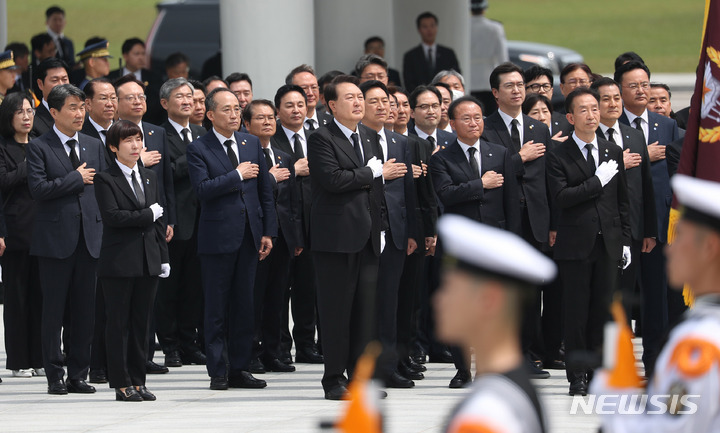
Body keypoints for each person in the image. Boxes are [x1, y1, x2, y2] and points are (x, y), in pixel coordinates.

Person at [592, 174, 720, 433]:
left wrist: (618, 396)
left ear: (708, 247)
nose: (670, 248)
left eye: (679, 235)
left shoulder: (699, 346)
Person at [186, 87, 276, 390]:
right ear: (210, 114)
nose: (235, 114)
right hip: (217, 238)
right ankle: (218, 371)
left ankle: (240, 367)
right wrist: (236, 175)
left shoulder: (251, 143)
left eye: (238, 109)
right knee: (216, 308)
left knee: (244, 305)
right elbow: (202, 190)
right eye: (227, 109)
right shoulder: (199, 148)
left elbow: (265, 190)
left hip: (250, 235)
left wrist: (268, 231)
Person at [546, 87, 631, 396]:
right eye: (583, 110)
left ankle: (598, 370)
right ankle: (577, 375)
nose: (592, 114)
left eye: (595, 108)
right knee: (576, 312)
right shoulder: (558, 155)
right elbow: (562, 198)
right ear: (570, 117)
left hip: (607, 243)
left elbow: (621, 202)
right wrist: (597, 181)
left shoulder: (612, 150)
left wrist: (624, 241)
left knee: (602, 311)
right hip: (575, 246)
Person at [429, 95, 520, 387]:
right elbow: (446, 193)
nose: (474, 123)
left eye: (478, 117)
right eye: (466, 118)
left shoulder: (500, 153)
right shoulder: (442, 157)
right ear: (453, 123)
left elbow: (511, 202)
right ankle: (462, 369)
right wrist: (481, 184)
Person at [436, 214, 555, 433]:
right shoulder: (506, 391)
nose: (439, 300)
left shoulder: (489, 413)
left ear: (489, 300)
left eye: (450, 288)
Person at [307, 75, 385, 400]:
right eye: (350, 97)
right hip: (336, 239)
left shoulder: (368, 136)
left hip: (367, 236)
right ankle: (333, 379)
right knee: (336, 311)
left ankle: (360, 378)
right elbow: (333, 180)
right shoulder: (321, 138)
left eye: (359, 97)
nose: (358, 102)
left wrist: (380, 229)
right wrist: (370, 173)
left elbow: (376, 191)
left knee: (363, 313)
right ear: (332, 104)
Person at [27, 83, 107, 395]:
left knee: (85, 311)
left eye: (81, 107)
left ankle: (78, 374)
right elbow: (38, 190)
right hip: (55, 241)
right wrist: (74, 179)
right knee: (54, 311)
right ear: (54, 112)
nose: (79, 113)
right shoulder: (38, 146)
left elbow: (102, 189)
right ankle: (54, 375)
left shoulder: (93, 144)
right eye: (72, 108)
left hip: (90, 238)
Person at [94, 120, 170, 402]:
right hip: (118, 262)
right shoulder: (105, 178)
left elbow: (159, 221)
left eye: (138, 139)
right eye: (128, 141)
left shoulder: (149, 176)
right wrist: (147, 215)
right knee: (118, 323)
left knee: (142, 323)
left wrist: (163, 257)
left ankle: (139, 380)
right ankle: (121, 382)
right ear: (114, 147)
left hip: (148, 259)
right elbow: (113, 217)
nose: (136, 145)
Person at [616, 60, 681, 376]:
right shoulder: (613, 126)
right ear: (619, 90)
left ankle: (656, 362)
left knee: (658, 299)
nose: (641, 90)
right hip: (624, 225)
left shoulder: (664, 124)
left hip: (658, 224)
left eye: (645, 84)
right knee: (622, 299)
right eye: (633, 86)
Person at [114, 73, 176, 374]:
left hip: (155, 223)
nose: (138, 101)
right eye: (131, 97)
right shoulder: (111, 136)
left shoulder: (155, 132)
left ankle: (146, 356)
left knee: (148, 298)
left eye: (141, 96)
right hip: (125, 230)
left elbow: (164, 185)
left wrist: (167, 219)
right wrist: (140, 161)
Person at [359, 80, 418, 389]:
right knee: (367, 304)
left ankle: (390, 366)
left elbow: (408, 192)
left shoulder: (400, 142)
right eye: (375, 101)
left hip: (395, 232)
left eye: (387, 102)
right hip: (364, 232)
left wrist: (412, 233)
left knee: (390, 303)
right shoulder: (356, 140)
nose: (383, 107)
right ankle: (366, 366)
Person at [591, 77, 657, 336]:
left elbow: (646, 186)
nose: (612, 104)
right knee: (600, 301)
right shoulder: (588, 136)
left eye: (616, 98)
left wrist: (649, 229)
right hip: (598, 230)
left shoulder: (634, 135)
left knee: (625, 301)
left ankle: (622, 361)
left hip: (632, 230)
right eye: (605, 99)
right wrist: (619, 164)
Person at [244, 99, 302, 373]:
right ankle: (251, 352)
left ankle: (273, 351)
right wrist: (268, 178)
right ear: (247, 124)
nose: (267, 122)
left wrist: (296, 237)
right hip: (256, 236)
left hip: (282, 237)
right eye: (260, 118)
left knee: (278, 298)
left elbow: (292, 202)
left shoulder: (283, 156)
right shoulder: (243, 156)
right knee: (253, 297)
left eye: (270, 118)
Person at [270, 84, 323, 364]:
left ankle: (306, 344)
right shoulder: (270, 138)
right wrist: (294, 170)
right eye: (289, 105)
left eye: (300, 104)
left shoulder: (317, 138)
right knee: (280, 290)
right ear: (278, 111)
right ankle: (279, 346)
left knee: (308, 288)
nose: (296, 110)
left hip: (314, 225)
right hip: (283, 227)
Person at [157, 78, 207, 368]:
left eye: (190, 96)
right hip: (176, 220)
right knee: (170, 287)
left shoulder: (202, 132)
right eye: (180, 96)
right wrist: (196, 153)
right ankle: (170, 345)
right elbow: (168, 172)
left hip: (205, 220)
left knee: (194, 286)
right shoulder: (157, 134)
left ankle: (190, 342)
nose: (187, 101)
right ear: (165, 103)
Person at [0, 92, 42, 378]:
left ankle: (39, 357)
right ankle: (17, 360)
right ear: (8, 117)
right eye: (20, 112)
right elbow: (4, 181)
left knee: (40, 298)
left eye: (30, 111)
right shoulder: (3, 148)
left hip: (42, 232)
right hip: (14, 232)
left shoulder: (40, 145)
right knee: (16, 298)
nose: (27, 117)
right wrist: (31, 165)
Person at [107, 38, 163, 125]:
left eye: (143, 54)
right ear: (125, 56)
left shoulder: (154, 77)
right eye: (137, 54)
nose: (141, 58)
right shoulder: (112, 77)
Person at [403, 11, 461, 92]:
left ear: (436, 27)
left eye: (432, 25)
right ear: (419, 29)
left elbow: (456, 76)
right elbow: (409, 82)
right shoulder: (410, 56)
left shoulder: (448, 54)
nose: (429, 30)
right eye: (425, 26)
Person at [469, 0, 508, 115]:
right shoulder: (495, 27)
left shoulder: (464, 27)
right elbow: (503, 57)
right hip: (488, 78)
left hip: (469, 78)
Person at [524, 65, 569, 140]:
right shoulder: (519, 122)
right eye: (535, 86)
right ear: (524, 90)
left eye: (546, 86)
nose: (541, 90)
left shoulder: (566, 123)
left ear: (551, 91)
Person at [30, 57, 70, 138]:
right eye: (55, 80)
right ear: (40, 84)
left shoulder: (82, 117)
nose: (61, 85)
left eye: (64, 79)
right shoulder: (33, 122)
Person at [408, 85, 456, 151]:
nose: (431, 111)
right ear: (412, 113)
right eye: (424, 106)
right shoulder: (405, 141)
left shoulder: (452, 140)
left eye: (435, 106)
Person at [286, 64, 333, 130]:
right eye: (304, 88)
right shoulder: (280, 127)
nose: (310, 93)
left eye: (314, 87)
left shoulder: (332, 122)